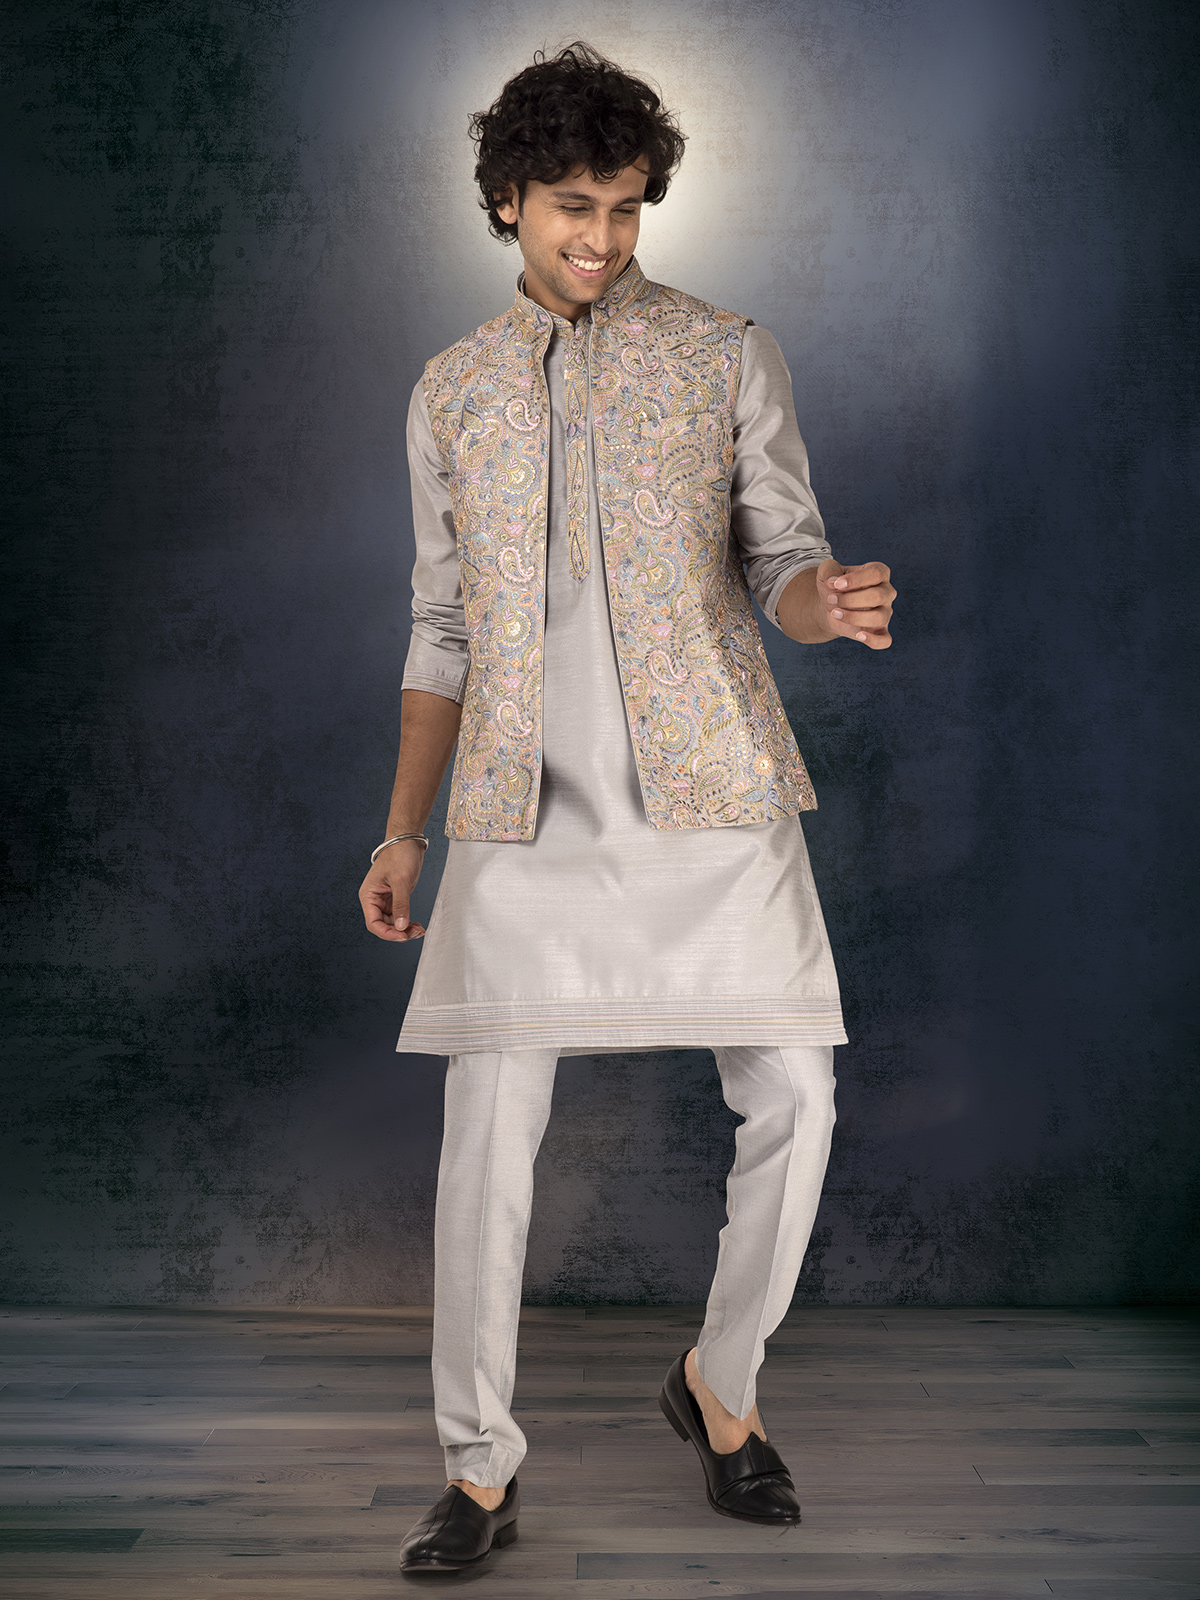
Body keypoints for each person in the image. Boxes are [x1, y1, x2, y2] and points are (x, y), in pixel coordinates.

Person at [357, 42, 895, 1575]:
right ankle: (478, 1470)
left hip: (715, 789)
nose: (600, 238)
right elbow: (441, 628)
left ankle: (723, 1386)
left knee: (798, 1098)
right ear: (507, 201)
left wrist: (824, 604)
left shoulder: (727, 353)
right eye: (571, 207)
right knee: (487, 1137)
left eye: (626, 208)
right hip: (518, 814)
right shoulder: (453, 391)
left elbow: (781, 556)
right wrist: (404, 829)